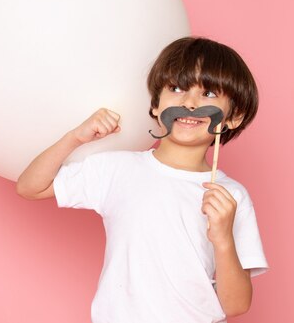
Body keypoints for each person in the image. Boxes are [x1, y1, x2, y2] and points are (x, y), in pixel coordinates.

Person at [16, 37, 269, 323]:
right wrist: (75, 137)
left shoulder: (232, 196)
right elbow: (30, 187)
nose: (188, 103)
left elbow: (237, 305)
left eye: (209, 94)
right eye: (176, 88)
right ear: (155, 107)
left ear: (233, 117)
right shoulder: (119, 169)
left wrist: (223, 238)